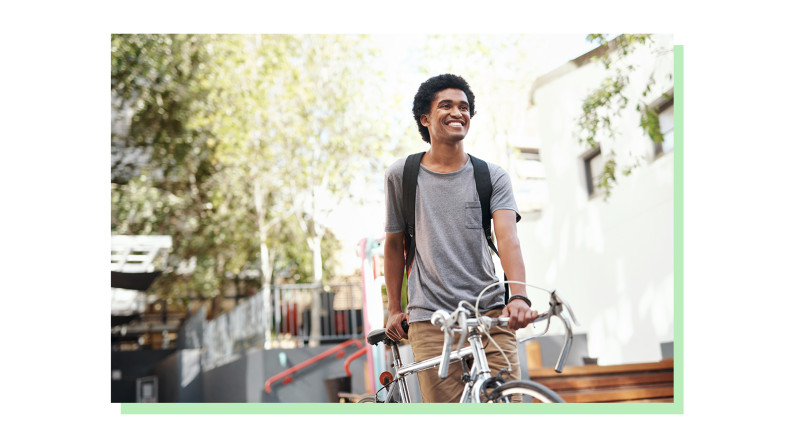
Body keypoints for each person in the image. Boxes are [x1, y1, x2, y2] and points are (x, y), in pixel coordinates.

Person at [382, 73, 539, 403]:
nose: (458, 112)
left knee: (507, 406)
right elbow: (395, 244)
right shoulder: (402, 175)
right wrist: (394, 308)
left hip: (491, 315)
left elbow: (508, 238)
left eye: (464, 106)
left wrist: (520, 297)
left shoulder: (491, 176)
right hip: (430, 320)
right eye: (447, 105)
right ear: (425, 118)